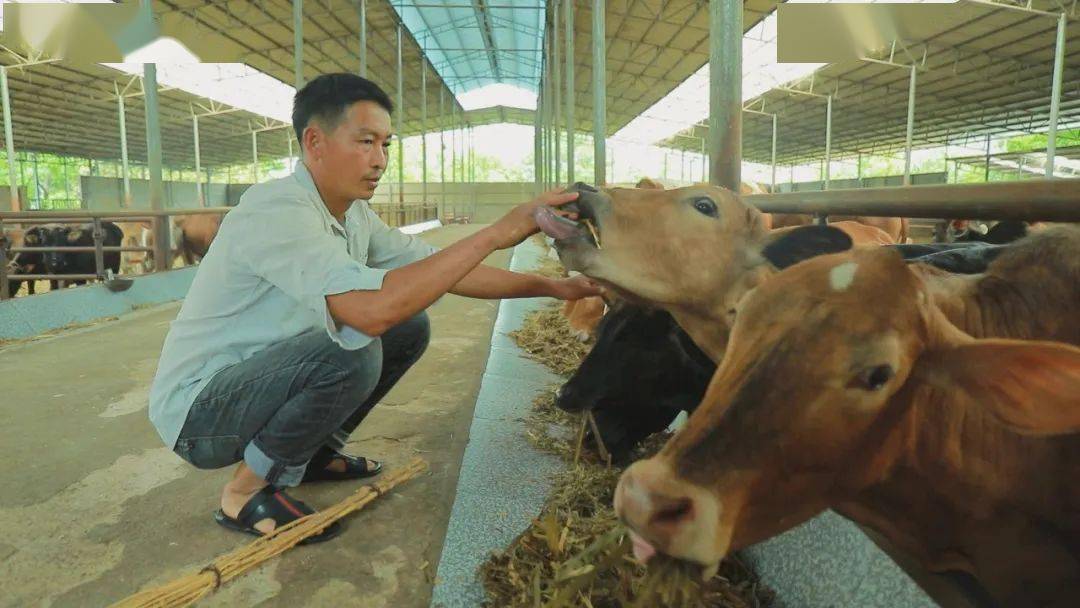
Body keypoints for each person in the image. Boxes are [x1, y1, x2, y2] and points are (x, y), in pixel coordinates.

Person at [148, 73, 600, 543]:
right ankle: (243, 495)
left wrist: (554, 287)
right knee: (355, 346)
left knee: (408, 326)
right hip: (202, 412)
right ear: (315, 141)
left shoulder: (352, 214)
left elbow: (441, 269)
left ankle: (311, 455)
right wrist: (496, 232)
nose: (380, 159)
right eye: (365, 142)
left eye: (386, 144)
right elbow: (368, 313)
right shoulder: (277, 209)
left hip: (262, 380)